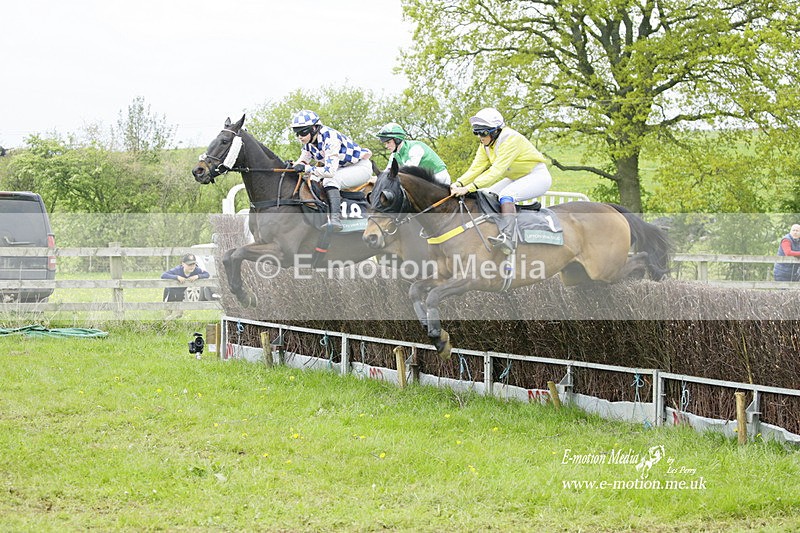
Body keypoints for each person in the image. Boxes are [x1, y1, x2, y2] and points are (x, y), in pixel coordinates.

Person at [449, 107, 553, 253]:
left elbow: (496, 171)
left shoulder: (511, 139)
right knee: (487, 194)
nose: (480, 137)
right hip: (516, 177)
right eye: (477, 132)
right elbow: (475, 169)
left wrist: (468, 188)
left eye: (483, 132)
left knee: (506, 196)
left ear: (496, 131)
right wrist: (457, 184)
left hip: (537, 176)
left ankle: (508, 238)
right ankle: (492, 230)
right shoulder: (485, 145)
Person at [290, 110, 373, 232]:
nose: (299, 136)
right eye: (296, 133)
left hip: (360, 167)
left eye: (303, 132)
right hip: (342, 168)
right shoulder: (308, 143)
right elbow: (303, 161)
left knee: (330, 180)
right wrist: (292, 165)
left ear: (314, 128)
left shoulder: (330, 138)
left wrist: (306, 168)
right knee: (312, 179)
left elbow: (329, 172)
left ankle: (335, 220)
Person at [376, 122, 451, 185]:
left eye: (388, 142)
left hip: (439, 176)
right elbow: (387, 172)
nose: (386, 146)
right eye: (385, 143)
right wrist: (376, 178)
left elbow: (407, 171)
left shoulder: (415, 148)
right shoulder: (394, 155)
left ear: (397, 140)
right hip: (425, 180)